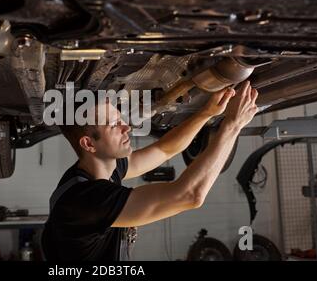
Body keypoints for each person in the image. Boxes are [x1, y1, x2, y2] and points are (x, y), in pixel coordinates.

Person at [41, 80, 258, 261]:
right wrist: (232, 126)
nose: (126, 127)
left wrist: (206, 113)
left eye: (120, 120)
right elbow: (190, 195)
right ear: (89, 144)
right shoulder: (84, 200)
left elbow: (164, 150)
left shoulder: (103, 170)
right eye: (113, 125)